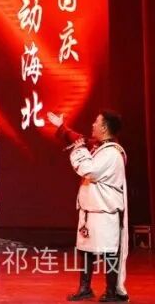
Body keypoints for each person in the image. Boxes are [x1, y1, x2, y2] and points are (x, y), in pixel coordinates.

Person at [48, 111, 130, 302]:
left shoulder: (111, 153)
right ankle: (85, 288)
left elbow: (89, 170)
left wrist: (79, 151)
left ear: (104, 127)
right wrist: (61, 127)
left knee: (109, 251)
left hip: (105, 211)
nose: (92, 124)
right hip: (90, 210)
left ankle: (111, 291)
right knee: (86, 250)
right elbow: (79, 139)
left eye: (96, 122)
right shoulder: (100, 147)